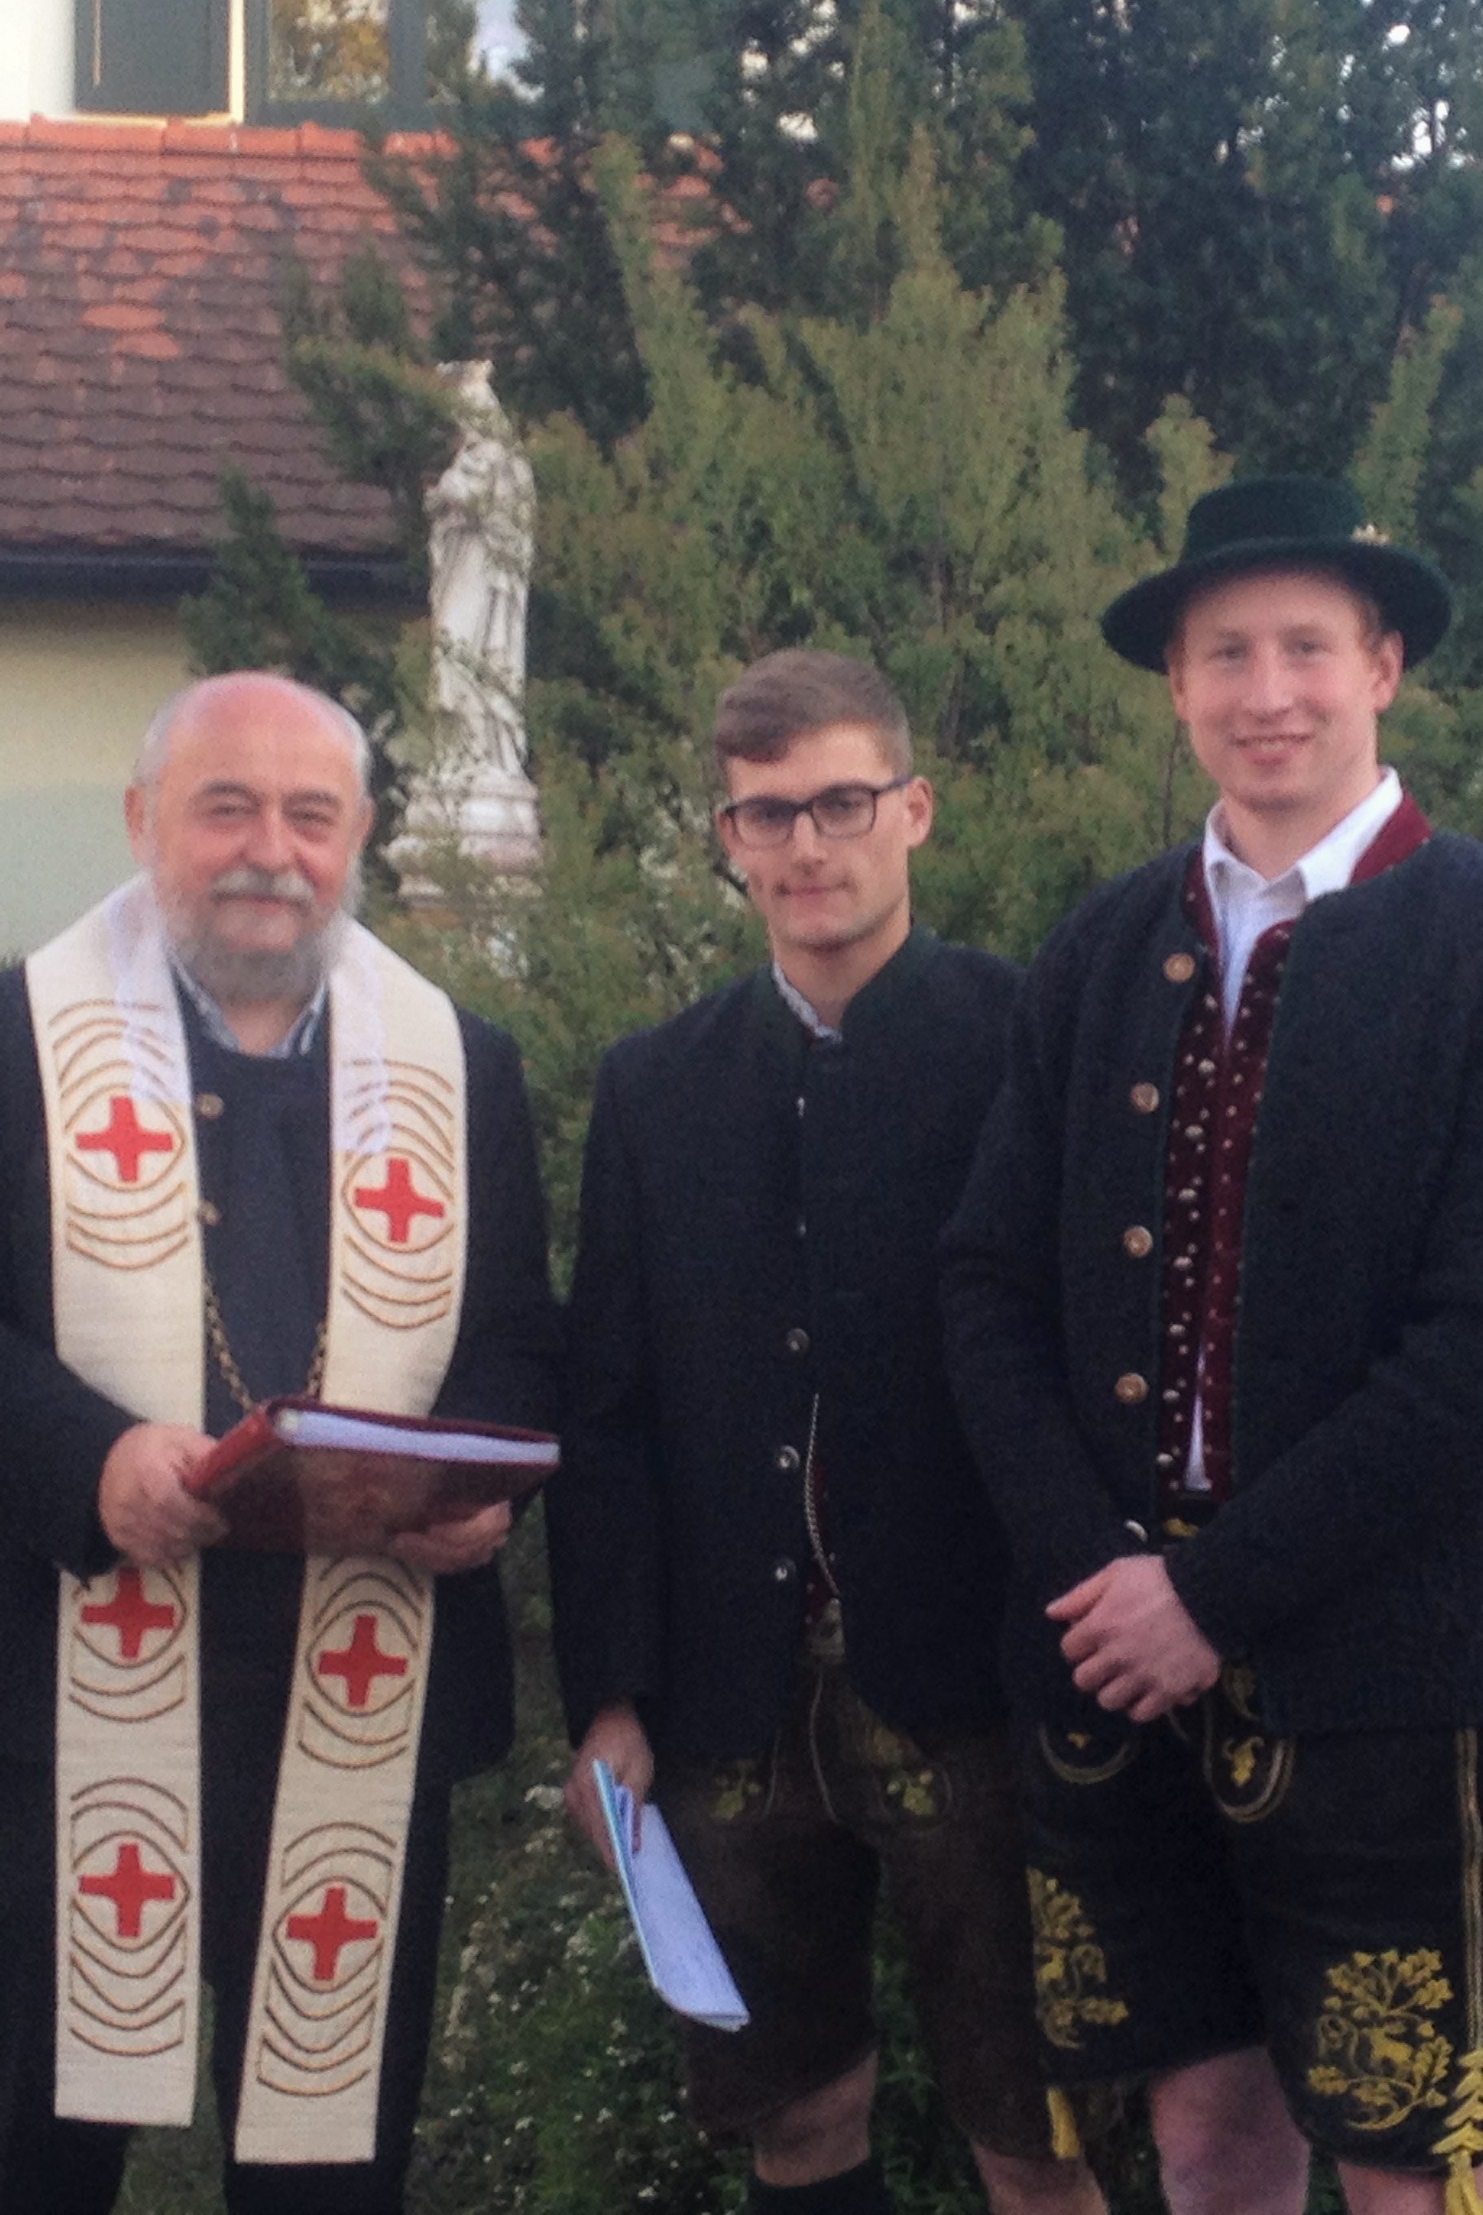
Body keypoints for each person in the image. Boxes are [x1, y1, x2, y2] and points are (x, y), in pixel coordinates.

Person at [941, 478, 1483, 2215]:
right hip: (1108, 1664)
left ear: (1383, 667)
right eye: (1225, 653)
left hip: (1379, 1671)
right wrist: (1097, 1572)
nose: (1268, 692)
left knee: (1416, 2160)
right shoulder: (1102, 949)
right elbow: (987, 1284)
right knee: (1204, 2134)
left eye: (1307, 647)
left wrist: (1214, 1595)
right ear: (1177, 684)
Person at [0, 669, 563, 2215]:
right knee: (30, 2162)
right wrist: (87, 1463)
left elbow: (511, 1334)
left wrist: (467, 1481)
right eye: (226, 808)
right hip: (57, 1669)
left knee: (331, 2167)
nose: (270, 853)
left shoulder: (459, 1065)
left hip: (355, 1678)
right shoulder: (1, 1042)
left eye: (311, 816)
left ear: (360, 834)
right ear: (142, 819)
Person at [550, 650, 1103, 2215]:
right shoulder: (654, 1088)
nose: (807, 846)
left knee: (1038, 2139)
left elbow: (1090, 1373)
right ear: (727, 838)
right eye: (767, 814)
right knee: (794, 2123)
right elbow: (609, 1414)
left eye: (842, 804)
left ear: (914, 810)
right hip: (730, 1699)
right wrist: (608, 1695)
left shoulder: (1031, 1044)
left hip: (979, 1689)